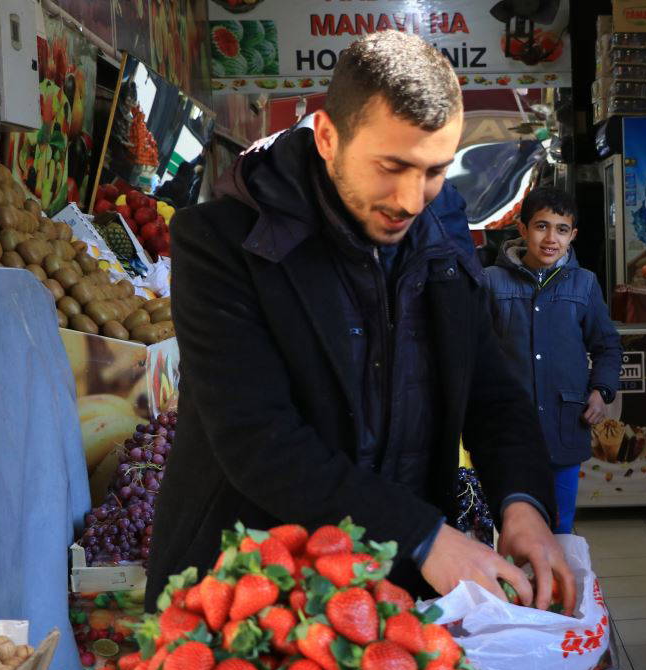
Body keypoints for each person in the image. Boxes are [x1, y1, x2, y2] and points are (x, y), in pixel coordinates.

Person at [147, 31, 575, 614]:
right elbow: (259, 441)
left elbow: (491, 394)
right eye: (391, 166)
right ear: (327, 136)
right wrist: (421, 537)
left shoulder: (444, 239)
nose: (410, 198)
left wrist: (524, 505)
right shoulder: (222, 245)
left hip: (394, 600)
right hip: (250, 597)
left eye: (433, 171)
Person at [482, 188, 622, 534]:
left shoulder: (585, 284)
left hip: (565, 421)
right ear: (522, 228)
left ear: (572, 235)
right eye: (541, 226)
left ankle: (558, 590)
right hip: (508, 427)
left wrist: (600, 391)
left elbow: (607, 346)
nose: (550, 238)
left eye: (561, 229)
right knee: (509, 527)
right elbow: (474, 351)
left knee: (561, 525)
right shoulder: (490, 282)